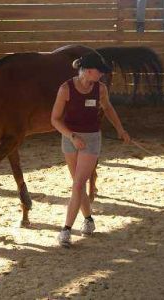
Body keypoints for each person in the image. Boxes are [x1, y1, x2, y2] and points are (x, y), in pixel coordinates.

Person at [51, 52, 131, 247]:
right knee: (78, 185)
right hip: (70, 138)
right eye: (99, 72)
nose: (102, 75)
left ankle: (66, 230)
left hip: (92, 139)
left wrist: (120, 129)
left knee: (78, 184)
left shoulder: (101, 89)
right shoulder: (65, 89)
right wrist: (72, 136)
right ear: (88, 71)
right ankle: (88, 220)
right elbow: (55, 119)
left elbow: (108, 108)